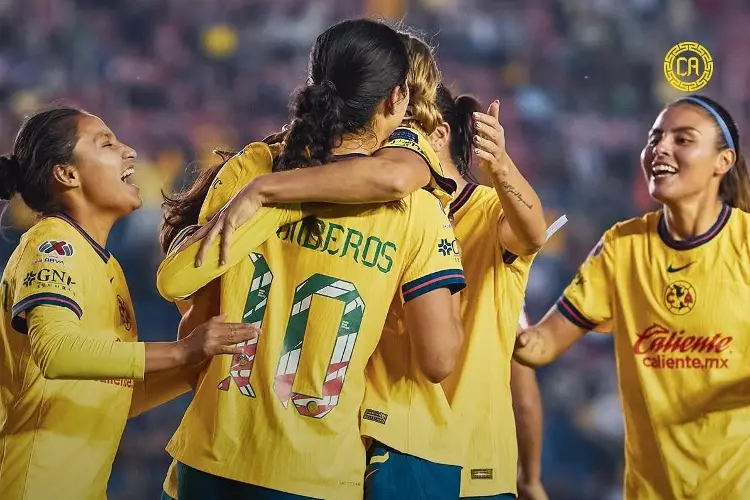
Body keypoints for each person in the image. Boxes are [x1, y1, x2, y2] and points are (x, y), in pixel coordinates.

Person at [156, 19, 466, 500]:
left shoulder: (254, 166)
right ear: (396, 100)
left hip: (213, 454)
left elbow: (194, 317)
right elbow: (440, 357)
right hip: (314, 472)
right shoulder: (416, 208)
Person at [0, 108, 259, 500]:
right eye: (106, 143)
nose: (131, 152)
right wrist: (183, 350)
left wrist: (195, 363)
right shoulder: (52, 244)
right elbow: (56, 352)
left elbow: (118, 395)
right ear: (67, 174)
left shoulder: (107, 266)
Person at [514, 95, 750, 499]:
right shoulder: (622, 246)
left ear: (722, 161)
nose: (660, 148)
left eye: (683, 139)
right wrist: (503, 295)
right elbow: (538, 347)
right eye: (655, 138)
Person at [360, 85, 547, 500]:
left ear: (439, 135)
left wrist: (500, 168)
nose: (388, 146)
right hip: (390, 441)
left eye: (402, 132)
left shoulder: (487, 209)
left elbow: (534, 233)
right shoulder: (388, 215)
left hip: (473, 459)